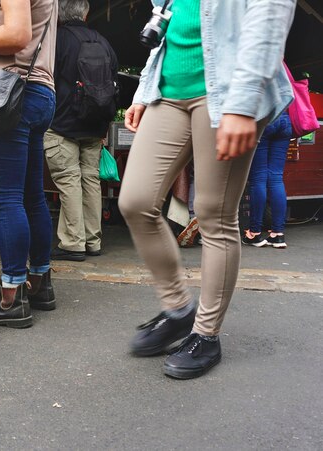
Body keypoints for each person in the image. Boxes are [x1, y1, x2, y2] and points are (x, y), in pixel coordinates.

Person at [118, 0, 296, 379]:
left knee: (214, 213)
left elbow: (269, 16)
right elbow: (168, 22)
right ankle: (179, 310)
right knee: (135, 201)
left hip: (227, 91)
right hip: (168, 92)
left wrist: (244, 104)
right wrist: (141, 94)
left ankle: (206, 333)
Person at [0, 0, 58, 328]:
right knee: (32, 196)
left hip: (10, 91)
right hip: (39, 91)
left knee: (6, 197)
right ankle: (40, 284)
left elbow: (17, 34)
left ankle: (11, 297)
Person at [44, 0, 118, 262]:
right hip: (95, 124)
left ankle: (73, 243)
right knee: (90, 181)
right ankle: (92, 240)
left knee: (68, 181)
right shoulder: (102, 41)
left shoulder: (57, 39)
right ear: (86, 14)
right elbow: (113, 81)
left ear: (59, 15)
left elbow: (45, 77)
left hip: (62, 124)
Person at [243, 110, 292, 249]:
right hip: (284, 120)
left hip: (263, 119)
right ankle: (278, 234)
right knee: (276, 178)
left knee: (258, 178)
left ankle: (254, 233)